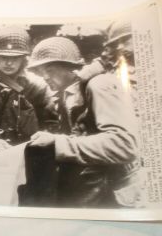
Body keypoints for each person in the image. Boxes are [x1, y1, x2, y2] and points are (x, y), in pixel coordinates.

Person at [26, 36, 139, 208]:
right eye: (40, 72)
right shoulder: (67, 94)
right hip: (96, 193)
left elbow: (124, 144)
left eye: (49, 69)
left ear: (70, 67)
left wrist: (57, 144)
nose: (44, 77)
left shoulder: (99, 85)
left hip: (116, 195)